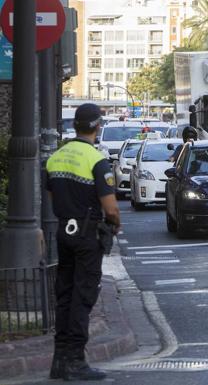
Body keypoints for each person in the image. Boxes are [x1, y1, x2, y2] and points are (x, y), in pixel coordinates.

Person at [46, 103, 121, 381]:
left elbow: (52, 194)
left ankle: (59, 360)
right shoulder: (96, 160)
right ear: (97, 126)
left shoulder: (56, 157)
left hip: (64, 231)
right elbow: (110, 207)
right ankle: (76, 360)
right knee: (83, 295)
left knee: (64, 294)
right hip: (88, 234)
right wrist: (114, 225)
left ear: (75, 125)